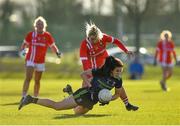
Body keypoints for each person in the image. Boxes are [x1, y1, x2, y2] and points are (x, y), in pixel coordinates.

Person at [18, 56, 139, 115]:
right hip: (84, 94)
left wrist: (108, 98)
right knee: (58, 106)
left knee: (76, 113)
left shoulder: (118, 81)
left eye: (121, 71)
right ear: (111, 69)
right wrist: (89, 86)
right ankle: (30, 99)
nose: (119, 73)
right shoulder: (100, 72)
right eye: (117, 70)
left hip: (92, 102)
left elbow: (117, 94)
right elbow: (83, 74)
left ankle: (69, 92)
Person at [18, 16, 61, 109]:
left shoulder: (47, 36)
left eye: (41, 24)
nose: (40, 26)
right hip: (30, 59)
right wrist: (22, 50)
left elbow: (53, 46)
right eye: (38, 24)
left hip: (41, 61)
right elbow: (24, 45)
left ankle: (35, 97)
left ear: (44, 25)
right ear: (35, 25)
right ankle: (23, 96)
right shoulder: (31, 35)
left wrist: (57, 52)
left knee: (37, 80)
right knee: (28, 77)